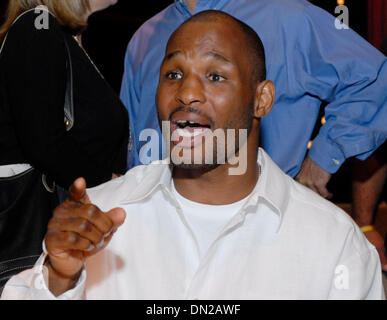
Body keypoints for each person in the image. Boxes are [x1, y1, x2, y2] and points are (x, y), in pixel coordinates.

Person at [1, 11, 384, 300]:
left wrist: (319, 165)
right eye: (172, 75)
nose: (186, 93)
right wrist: (58, 279)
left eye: (215, 76)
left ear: (262, 98)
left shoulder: (333, 244)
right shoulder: (102, 217)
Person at [121, 0, 387, 199]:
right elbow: (134, 141)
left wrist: (321, 161)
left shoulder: (289, 17)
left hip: (258, 222)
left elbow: (375, 79)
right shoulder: (145, 36)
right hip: (158, 223)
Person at [0, 0, 128, 290]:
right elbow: (43, 142)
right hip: (31, 242)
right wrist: (110, 183)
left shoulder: (58, 34)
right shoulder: (38, 25)